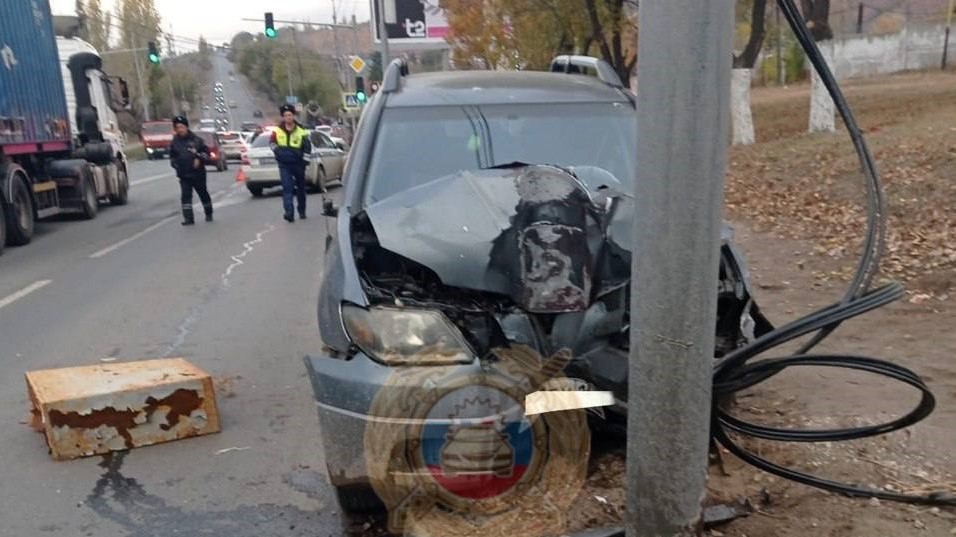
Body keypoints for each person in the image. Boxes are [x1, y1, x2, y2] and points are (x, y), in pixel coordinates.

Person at [271, 104, 313, 222]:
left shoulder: (301, 130)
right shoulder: (277, 130)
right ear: (283, 117)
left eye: (290, 115)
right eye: (285, 115)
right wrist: (278, 152)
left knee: (300, 188)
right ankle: (289, 212)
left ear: (293, 116)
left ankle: (302, 210)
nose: (288, 117)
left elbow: (307, 147)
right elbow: (272, 143)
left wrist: (305, 160)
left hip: (298, 163)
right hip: (284, 164)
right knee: (287, 188)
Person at [168, 116, 213, 225]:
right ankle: (188, 218)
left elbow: (206, 154)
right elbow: (172, 156)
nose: (180, 129)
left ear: (186, 127)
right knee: (185, 196)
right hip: (184, 175)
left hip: (198, 174)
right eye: (177, 127)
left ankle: (208, 213)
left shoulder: (197, 140)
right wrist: (175, 164)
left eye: (181, 127)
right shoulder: (175, 142)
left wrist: (199, 159)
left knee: (203, 193)